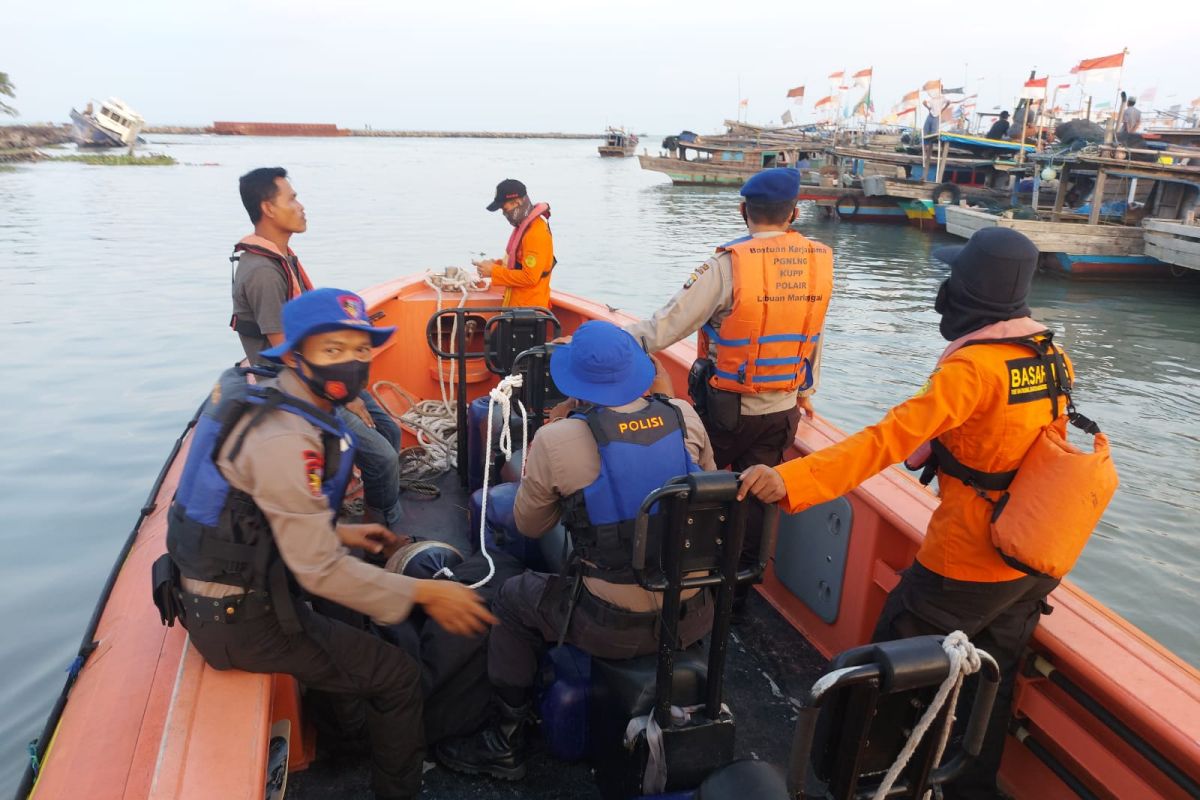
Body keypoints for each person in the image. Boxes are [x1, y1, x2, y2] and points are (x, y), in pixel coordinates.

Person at [738, 228, 1068, 800]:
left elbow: (886, 441)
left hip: (964, 563)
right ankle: (970, 790)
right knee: (991, 685)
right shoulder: (1049, 355)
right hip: (1032, 557)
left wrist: (789, 477)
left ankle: (856, 782)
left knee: (884, 670)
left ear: (971, 288)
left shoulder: (972, 371)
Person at [159, 288, 497, 800]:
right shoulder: (284, 435)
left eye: (360, 350)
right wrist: (428, 594)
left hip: (244, 581)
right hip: (242, 616)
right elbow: (318, 572)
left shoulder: (280, 397)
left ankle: (349, 732)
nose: (353, 362)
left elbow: (256, 512)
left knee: (355, 611)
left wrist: (341, 532)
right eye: (332, 350)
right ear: (295, 355)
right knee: (398, 676)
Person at [435, 321, 717, 780]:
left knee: (512, 598)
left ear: (574, 383)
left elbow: (530, 522)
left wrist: (559, 435)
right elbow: (707, 493)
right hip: (693, 613)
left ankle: (503, 742)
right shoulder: (685, 416)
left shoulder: (558, 437)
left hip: (607, 626)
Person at [624, 167, 833, 575]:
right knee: (756, 496)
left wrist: (609, 344)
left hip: (727, 411)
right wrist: (807, 392)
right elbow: (814, 332)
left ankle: (682, 577)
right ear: (794, 213)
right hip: (783, 410)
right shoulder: (818, 262)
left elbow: (663, 328)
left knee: (694, 485)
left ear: (743, 211)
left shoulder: (728, 266)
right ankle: (736, 593)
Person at [230, 167, 405, 531]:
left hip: (318, 370)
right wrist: (343, 395)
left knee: (388, 428)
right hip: (296, 384)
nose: (301, 205)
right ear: (269, 208)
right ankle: (382, 532)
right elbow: (285, 348)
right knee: (384, 457)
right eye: (291, 198)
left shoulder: (283, 257)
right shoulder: (263, 271)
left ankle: (379, 506)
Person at [473, 178, 556, 309]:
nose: (504, 213)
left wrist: (494, 272)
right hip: (516, 308)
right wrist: (496, 264)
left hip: (529, 312)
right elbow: (517, 264)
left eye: (504, 208)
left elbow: (530, 277)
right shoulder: (524, 227)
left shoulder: (536, 233)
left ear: (517, 202)